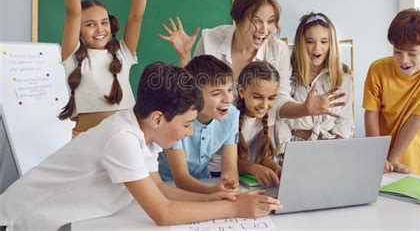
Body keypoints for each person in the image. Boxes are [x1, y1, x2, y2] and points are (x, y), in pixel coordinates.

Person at [0, 62, 282, 230]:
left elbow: (159, 188)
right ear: (158, 118)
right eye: (185, 125)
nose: (187, 134)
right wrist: (235, 209)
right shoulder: (121, 138)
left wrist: (212, 198)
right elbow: (163, 213)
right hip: (17, 223)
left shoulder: (144, 133)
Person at [158, 0, 345, 122]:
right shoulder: (210, 40)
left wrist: (305, 108)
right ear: (238, 18)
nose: (264, 29)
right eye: (256, 21)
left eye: (271, 21)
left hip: (257, 143)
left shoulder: (277, 50)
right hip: (212, 142)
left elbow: (279, 101)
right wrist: (184, 57)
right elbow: (193, 93)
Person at [59, 0, 156, 137]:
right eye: (90, 25)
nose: (100, 29)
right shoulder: (72, 56)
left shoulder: (122, 53)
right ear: (78, 30)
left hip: (127, 137)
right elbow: (73, 10)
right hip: (86, 139)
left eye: (104, 23)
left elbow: (136, 15)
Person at [363, 8, 420, 176]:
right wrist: (378, 156)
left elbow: (417, 117)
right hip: (376, 157)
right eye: (397, 52)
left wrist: (394, 159)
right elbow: (371, 113)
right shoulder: (378, 69)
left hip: (408, 160)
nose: (403, 60)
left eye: (412, 54)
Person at [158, 55, 240, 194]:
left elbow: (230, 165)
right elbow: (181, 177)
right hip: (168, 185)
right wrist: (215, 193)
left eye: (230, 90)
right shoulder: (176, 117)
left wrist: (230, 186)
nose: (228, 99)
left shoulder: (231, 115)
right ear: (194, 94)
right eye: (216, 93)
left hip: (205, 181)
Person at [284, 12, 354, 141]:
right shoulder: (287, 71)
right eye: (310, 41)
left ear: (331, 44)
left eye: (324, 41)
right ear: (301, 43)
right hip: (294, 144)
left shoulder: (343, 76)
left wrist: (334, 146)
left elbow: (345, 120)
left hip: (330, 144)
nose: (317, 48)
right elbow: (280, 117)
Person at [236, 61, 282, 187]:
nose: (264, 105)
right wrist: (254, 169)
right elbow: (225, 162)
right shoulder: (230, 114)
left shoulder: (269, 112)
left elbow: (264, 157)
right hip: (215, 174)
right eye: (257, 97)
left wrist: (276, 168)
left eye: (271, 98)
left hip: (240, 176)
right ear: (241, 91)